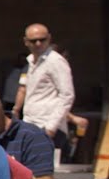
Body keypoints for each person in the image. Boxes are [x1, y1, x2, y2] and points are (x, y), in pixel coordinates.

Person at [14, 24, 75, 154]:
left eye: (42, 39)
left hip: (47, 126)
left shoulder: (55, 61)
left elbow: (67, 95)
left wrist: (51, 127)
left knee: (44, 171)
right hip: (31, 123)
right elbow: (25, 90)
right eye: (33, 40)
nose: (38, 43)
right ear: (26, 42)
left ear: (49, 38)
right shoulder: (31, 62)